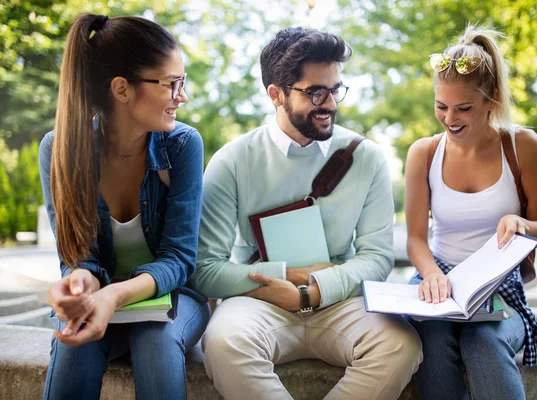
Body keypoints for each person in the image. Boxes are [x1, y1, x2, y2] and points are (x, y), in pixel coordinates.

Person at [187, 27, 422, 399]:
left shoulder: (368, 158)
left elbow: (377, 258)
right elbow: (205, 269)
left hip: (341, 301)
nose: (329, 103)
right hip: (257, 301)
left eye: (335, 89)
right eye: (315, 91)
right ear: (276, 94)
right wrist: (285, 276)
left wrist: (311, 292)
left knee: (401, 345)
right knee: (223, 344)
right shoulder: (232, 160)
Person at [39, 14, 209, 400]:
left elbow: (180, 259)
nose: (182, 96)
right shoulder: (59, 150)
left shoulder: (182, 145)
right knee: (73, 342)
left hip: (174, 298)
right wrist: (80, 285)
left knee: (156, 340)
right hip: (102, 299)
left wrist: (112, 296)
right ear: (122, 89)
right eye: (172, 84)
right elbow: (77, 257)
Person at [403, 24, 537, 400]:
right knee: (432, 343)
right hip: (438, 282)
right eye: (441, 106)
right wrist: (432, 273)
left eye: (464, 108)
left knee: (482, 339)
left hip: (500, 288)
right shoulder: (423, 153)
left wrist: (522, 224)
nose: (450, 118)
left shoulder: (522, 146)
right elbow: (416, 238)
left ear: (492, 100)